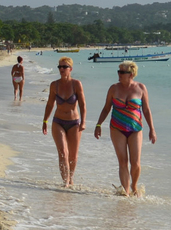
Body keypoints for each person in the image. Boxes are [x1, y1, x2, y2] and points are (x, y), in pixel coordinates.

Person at [94, 61, 156, 197]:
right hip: (117, 128)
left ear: (131, 74)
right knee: (123, 161)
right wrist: (98, 125)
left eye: (122, 72)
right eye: (118, 71)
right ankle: (126, 192)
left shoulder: (141, 88)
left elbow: (146, 110)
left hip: (135, 129)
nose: (119, 74)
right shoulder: (113, 88)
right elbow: (106, 108)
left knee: (136, 162)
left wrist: (152, 129)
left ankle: (134, 186)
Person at [42, 57, 86, 187]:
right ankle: (65, 181)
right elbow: (50, 104)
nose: (61, 69)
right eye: (59, 67)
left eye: (64, 67)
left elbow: (83, 105)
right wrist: (45, 120)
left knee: (73, 155)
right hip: (58, 122)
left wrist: (83, 122)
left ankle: (71, 178)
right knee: (62, 152)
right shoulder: (54, 85)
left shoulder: (76, 84)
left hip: (74, 123)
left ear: (70, 69)